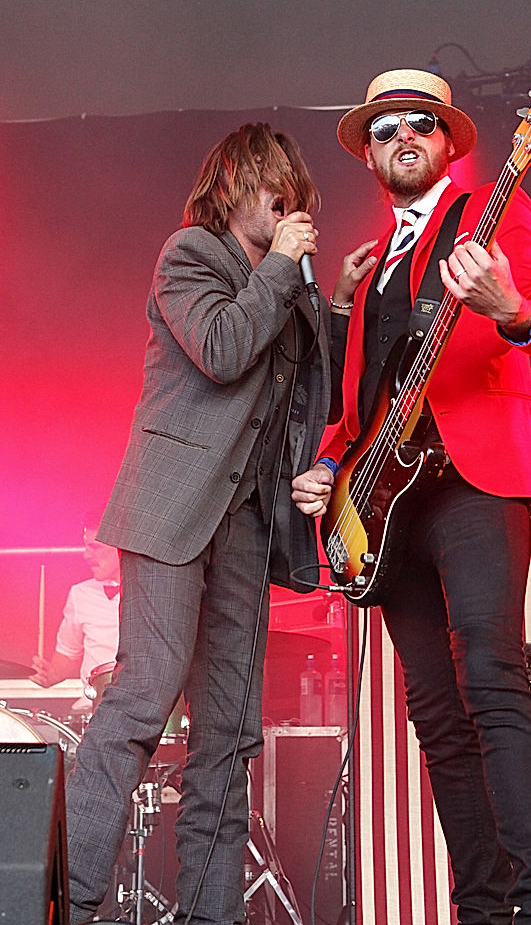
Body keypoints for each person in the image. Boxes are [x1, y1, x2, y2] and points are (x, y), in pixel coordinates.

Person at [292, 69, 531, 925]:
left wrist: (509, 308)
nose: (402, 137)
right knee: (437, 716)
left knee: (492, 677)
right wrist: (326, 469)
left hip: (475, 477)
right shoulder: (372, 262)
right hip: (385, 507)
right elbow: (358, 407)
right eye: (385, 130)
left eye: (421, 123)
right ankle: (481, 910)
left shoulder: (493, 207)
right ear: (371, 157)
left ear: (448, 141)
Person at [65, 123, 340, 925]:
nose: (287, 202)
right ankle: (67, 898)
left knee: (230, 731)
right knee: (143, 697)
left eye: (296, 192)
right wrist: (284, 268)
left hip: (248, 525)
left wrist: (340, 301)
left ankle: (212, 915)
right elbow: (221, 348)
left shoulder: (284, 288)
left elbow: (309, 398)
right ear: (235, 185)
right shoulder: (190, 253)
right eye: (273, 187)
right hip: (172, 508)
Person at [30, 508, 120, 713]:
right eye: (85, 546)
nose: (86, 555)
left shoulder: (154, 593)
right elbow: (68, 656)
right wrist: (50, 674)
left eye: (94, 547)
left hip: (145, 709)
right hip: (93, 709)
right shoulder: (81, 594)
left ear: (120, 546)